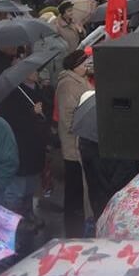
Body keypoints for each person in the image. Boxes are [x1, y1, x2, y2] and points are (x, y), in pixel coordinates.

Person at [0, 69, 49, 221]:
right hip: (22, 147)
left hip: (36, 147)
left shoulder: (39, 90)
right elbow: (12, 119)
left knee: (31, 186)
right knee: (18, 189)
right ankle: (15, 222)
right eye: (32, 71)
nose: (35, 73)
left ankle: (28, 215)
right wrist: (31, 112)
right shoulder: (14, 93)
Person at [55, 50, 91, 238]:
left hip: (79, 143)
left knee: (78, 190)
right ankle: (72, 229)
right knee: (74, 190)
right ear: (74, 66)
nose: (86, 67)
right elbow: (67, 117)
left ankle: (77, 223)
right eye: (83, 64)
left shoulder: (79, 81)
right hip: (73, 146)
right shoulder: (68, 84)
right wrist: (80, 128)